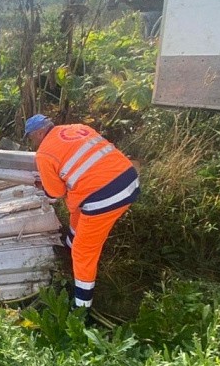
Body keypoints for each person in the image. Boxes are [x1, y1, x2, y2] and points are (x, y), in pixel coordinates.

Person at [24, 114, 140, 311]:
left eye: (31, 137)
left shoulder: (43, 154)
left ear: (39, 132)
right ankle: (68, 247)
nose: (32, 142)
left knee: (84, 251)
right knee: (77, 212)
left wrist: (44, 184)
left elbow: (56, 193)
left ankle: (82, 307)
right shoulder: (78, 128)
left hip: (105, 198)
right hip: (129, 180)